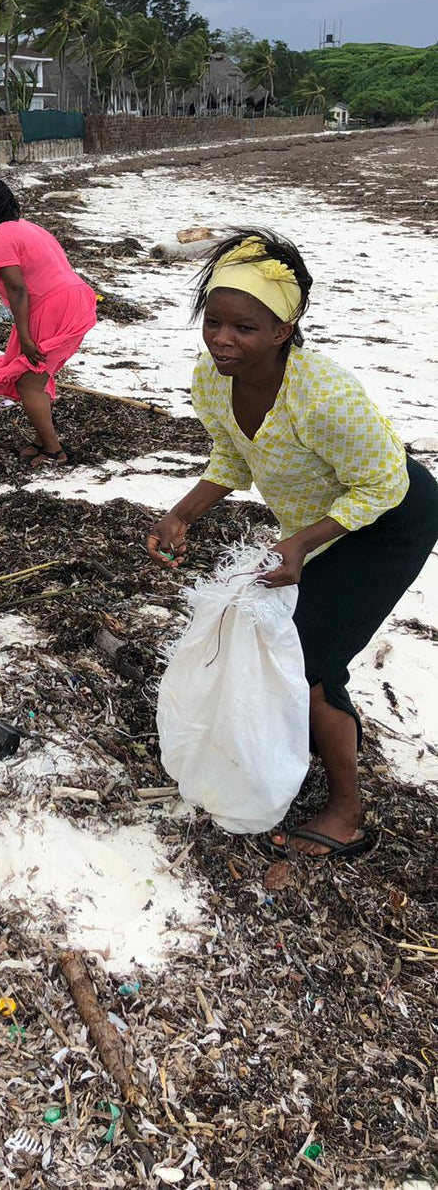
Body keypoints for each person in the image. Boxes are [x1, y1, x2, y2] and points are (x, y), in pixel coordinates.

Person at [147, 230, 438, 858]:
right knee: (292, 644)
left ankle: (346, 814)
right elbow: (234, 454)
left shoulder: (325, 397)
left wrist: (302, 544)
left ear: (284, 329)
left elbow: (382, 485)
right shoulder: (213, 379)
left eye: (244, 328)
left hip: (392, 517)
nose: (223, 339)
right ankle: (303, 742)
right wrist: (183, 514)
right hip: (322, 524)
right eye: (214, 322)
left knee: (311, 656)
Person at [0, 176, 98, 466]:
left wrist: (24, 336)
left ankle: (53, 450)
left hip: (53, 308)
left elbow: (18, 288)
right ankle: (41, 440)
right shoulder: (30, 228)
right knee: (38, 375)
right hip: (77, 298)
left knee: (28, 383)